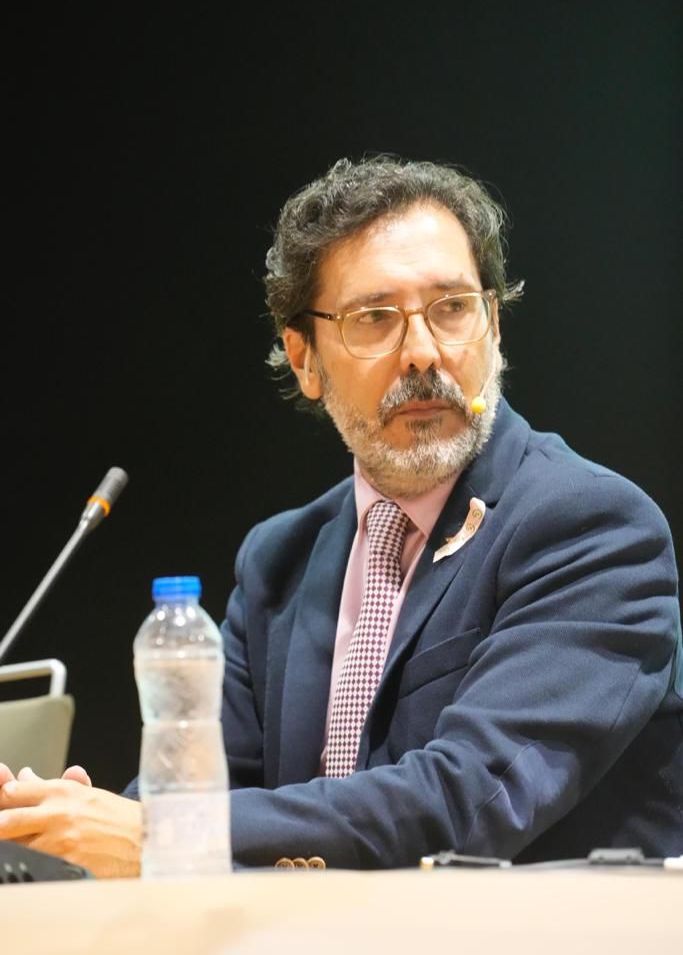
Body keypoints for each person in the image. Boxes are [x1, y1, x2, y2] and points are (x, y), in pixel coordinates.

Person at [1, 155, 681, 875]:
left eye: (452, 307)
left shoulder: (589, 527)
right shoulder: (279, 560)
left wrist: (162, 831)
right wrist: (86, 824)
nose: (423, 352)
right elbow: (208, 789)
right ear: (304, 359)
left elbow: (468, 801)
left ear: (495, 328)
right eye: (374, 319)